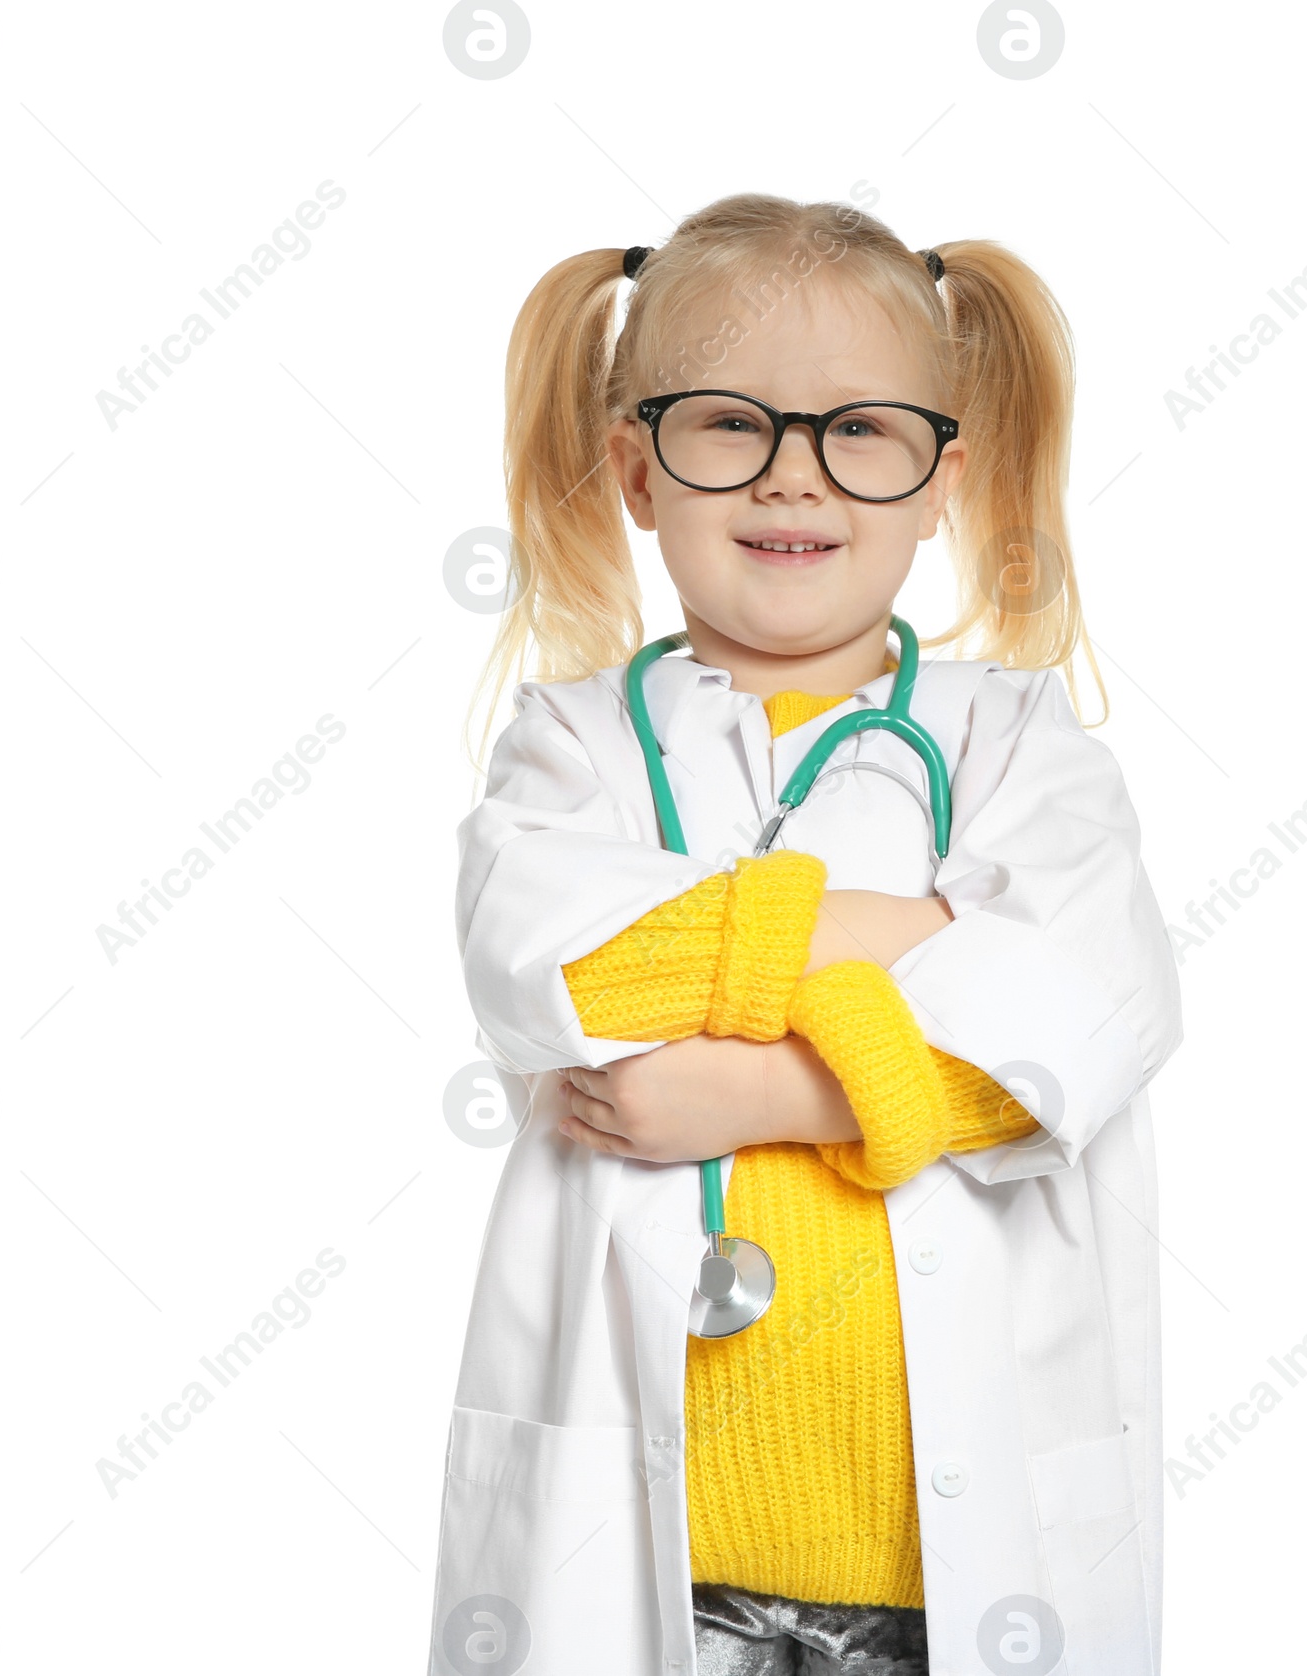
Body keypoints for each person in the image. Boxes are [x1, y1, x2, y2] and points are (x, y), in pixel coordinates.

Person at [429, 192, 1183, 1676]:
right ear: (639, 468)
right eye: (729, 424)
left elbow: (1077, 1028)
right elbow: (570, 968)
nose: (795, 478)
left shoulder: (1025, 742)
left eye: (861, 430)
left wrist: (757, 1089)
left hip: (949, 1566)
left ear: (940, 476)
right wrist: (916, 936)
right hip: (650, 1563)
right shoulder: (566, 750)